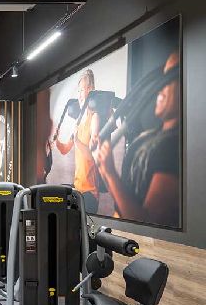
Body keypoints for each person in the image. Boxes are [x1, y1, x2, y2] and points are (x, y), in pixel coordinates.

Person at [96, 52, 180, 226]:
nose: (160, 88)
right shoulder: (151, 136)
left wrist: (110, 173)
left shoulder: (174, 146)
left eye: (170, 78)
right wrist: (106, 170)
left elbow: (149, 223)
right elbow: (127, 194)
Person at [53, 69, 100, 213]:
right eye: (78, 91)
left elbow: (92, 156)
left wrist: (77, 140)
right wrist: (56, 140)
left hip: (89, 192)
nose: (79, 95)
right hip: (78, 189)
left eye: (82, 90)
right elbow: (65, 149)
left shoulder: (94, 118)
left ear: (90, 90)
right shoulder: (78, 121)